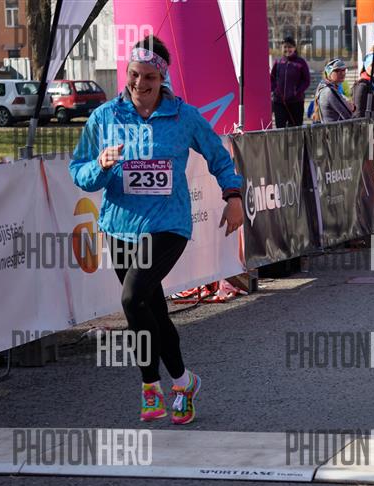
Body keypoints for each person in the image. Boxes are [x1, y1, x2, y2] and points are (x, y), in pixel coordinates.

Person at [69, 35, 244, 424]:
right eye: (134, 74)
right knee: (151, 308)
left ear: (162, 78)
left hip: (168, 224)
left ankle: (150, 385)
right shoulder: (105, 117)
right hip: (119, 226)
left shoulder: (183, 117)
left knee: (133, 299)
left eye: (149, 77)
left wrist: (233, 195)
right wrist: (100, 164)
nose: (139, 83)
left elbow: (219, 158)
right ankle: (182, 383)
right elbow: (79, 172)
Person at [270, 36, 310, 127]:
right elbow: (272, 78)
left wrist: (296, 91)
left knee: (296, 128)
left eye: (290, 47)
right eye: (285, 47)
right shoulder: (278, 62)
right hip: (279, 103)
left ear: (294, 48)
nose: (287, 49)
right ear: (281, 48)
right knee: (280, 129)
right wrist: (275, 90)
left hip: (296, 102)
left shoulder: (301, 62)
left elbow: (306, 81)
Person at [313, 58, 353, 123]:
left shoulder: (324, 87)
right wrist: (353, 107)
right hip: (335, 128)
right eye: (337, 70)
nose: (342, 73)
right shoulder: (329, 91)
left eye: (344, 70)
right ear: (329, 73)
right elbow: (348, 115)